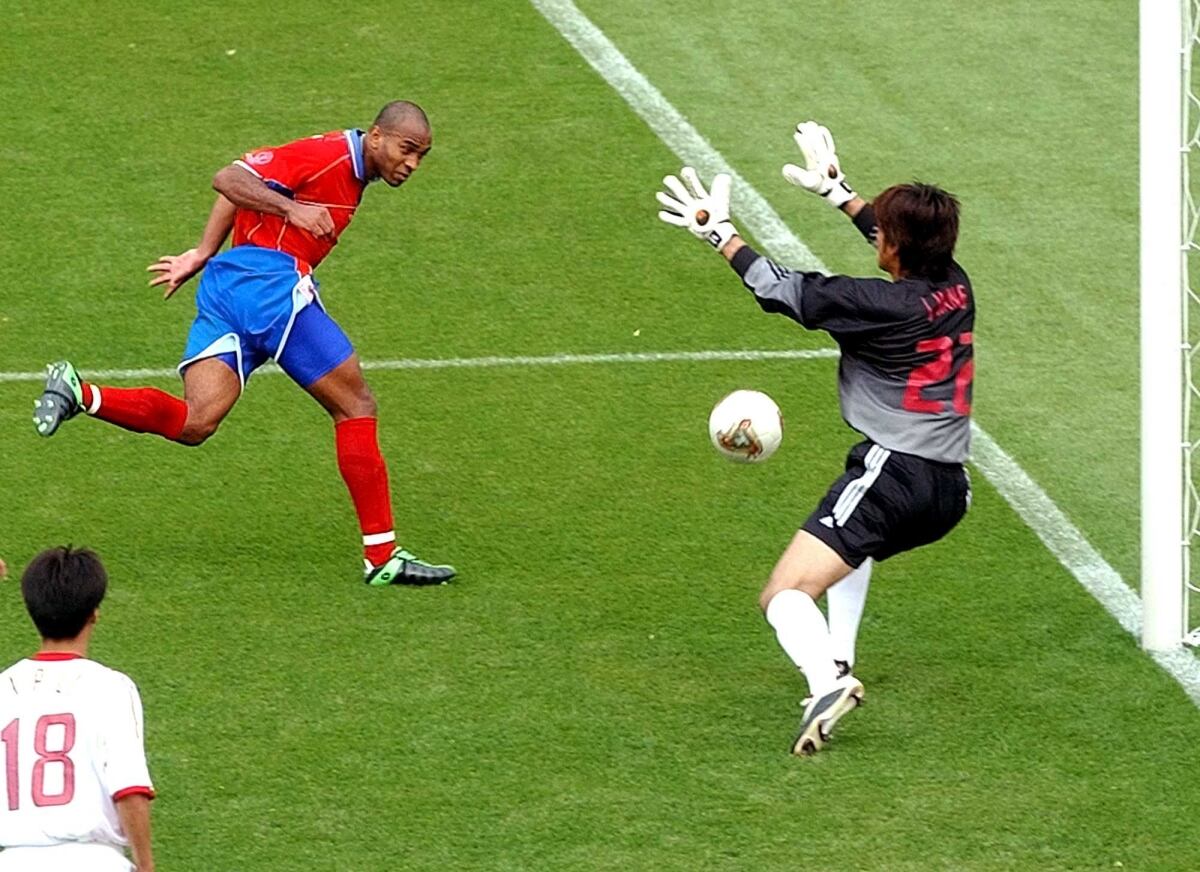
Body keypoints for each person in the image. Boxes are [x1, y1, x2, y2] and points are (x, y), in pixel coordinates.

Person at [32, 101, 455, 587]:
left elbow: (246, 181)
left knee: (196, 421)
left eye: (422, 156)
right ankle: (382, 558)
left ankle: (78, 393)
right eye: (407, 150)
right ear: (377, 137)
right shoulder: (328, 155)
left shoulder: (351, 169)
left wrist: (203, 252)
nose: (412, 164)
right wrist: (293, 210)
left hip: (228, 291)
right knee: (355, 405)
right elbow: (229, 179)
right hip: (268, 289)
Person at [655, 122, 973, 755]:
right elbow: (903, 247)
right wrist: (841, 196)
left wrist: (718, 232)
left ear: (897, 248)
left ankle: (824, 680)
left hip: (895, 474)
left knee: (784, 594)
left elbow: (781, 290)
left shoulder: (879, 306)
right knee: (857, 545)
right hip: (951, 489)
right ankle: (842, 657)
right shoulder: (956, 285)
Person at [0, 547, 155, 871]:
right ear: (93, 613)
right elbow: (129, 791)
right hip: (94, 862)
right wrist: (146, 866)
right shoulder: (110, 687)